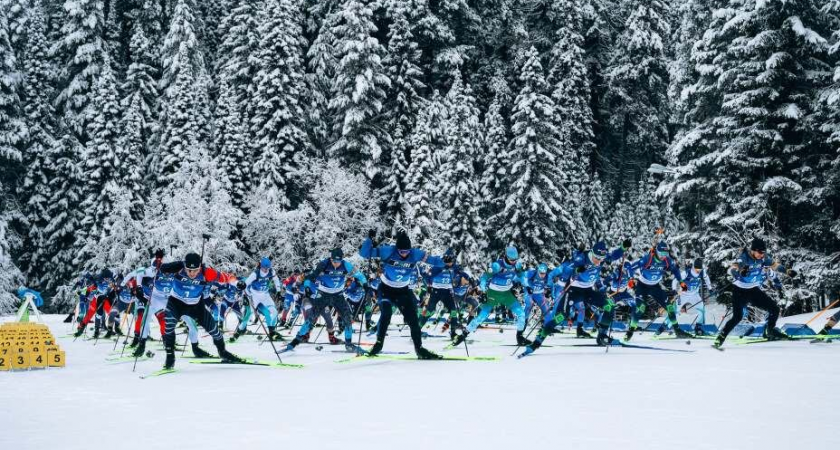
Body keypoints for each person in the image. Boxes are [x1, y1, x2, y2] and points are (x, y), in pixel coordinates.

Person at [359, 230, 445, 359]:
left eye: (406, 251)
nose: (404, 253)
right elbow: (365, 253)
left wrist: (445, 261)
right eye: (401, 251)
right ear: (397, 249)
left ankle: (419, 349)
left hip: (403, 291)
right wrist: (369, 240)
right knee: (386, 314)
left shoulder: (416, 253)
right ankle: (378, 344)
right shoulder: (387, 251)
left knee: (413, 320)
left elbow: (434, 261)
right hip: (386, 289)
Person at [156, 252, 246, 369]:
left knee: (214, 330)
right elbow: (161, 268)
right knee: (169, 326)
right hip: (176, 303)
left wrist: (237, 283)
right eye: (188, 270)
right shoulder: (178, 268)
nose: (192, 273)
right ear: (184, 266)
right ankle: (170, 358)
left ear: (199, 267)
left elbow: (227, 277)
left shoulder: (206, 272)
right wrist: (163, 267)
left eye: (195, 270)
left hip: (195, 305)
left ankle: (223, 352)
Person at [713, 238, 797, 349]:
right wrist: (740, 272)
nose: (761, 255)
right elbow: (733, 269)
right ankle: (721, 337)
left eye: (763, 253)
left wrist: (786, 271)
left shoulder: (763, 258)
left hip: (753, 290)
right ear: (753, 250)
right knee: (737, 317)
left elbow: (775, 265)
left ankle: (769, 331)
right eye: (759, 252)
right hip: (740, 291)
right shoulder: (744, 258)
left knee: (774, 309)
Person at [283, 248, 367, 352]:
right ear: (331, 259)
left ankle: (349, 344)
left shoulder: (346, 265)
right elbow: (311, 277)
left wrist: (366, 284)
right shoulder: (323, 264)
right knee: (311, 318)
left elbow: (359, 274)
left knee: (347, 318)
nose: (336, 264)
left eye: (338, 261)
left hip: (338, 294)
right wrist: (307, 286)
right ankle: (295, 341)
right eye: (334, 261)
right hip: (323, 294)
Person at [451, 246, 528, 347]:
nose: (513, 262)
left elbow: (522, 276)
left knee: (521, 314)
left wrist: (527, 285)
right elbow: (484, 278)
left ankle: (520, 337)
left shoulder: (517, 265)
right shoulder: (496, 266)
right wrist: (483, 292)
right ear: (506, 256)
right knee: (481, 317)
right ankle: (462, 336)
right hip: (493, 294)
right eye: (511, 259)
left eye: (515, 259)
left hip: (507, 294)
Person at [624, 241, 691, 341]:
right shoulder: (647, 259)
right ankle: (630, 331)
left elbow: (675, 270)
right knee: (640, 308)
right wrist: (630, 279)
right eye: (661, 254)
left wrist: (681, 282)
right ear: (656, 252)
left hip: (655, 286)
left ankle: (677, 330)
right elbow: (630, 267)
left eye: (665, 254)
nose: (663, 256)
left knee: (670, 306)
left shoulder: (667, 260)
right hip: (642, 286)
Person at [234, 257, 283, 341]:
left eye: (267, 268)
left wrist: (278, 291)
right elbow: (245, 285)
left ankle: (271, 332)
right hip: (255, 296)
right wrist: (245, 296)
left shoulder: (271, 271)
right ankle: (238, 331)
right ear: (261, 266)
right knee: (249, 314)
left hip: (265, 295)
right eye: (264, 268)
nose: (266, 270)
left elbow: (276, 280)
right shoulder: (255, 274)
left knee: (274, 312)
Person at [673, 258, 714, 335]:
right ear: (693, 267)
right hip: (683, 294)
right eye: (696, 268)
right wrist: (674, 290)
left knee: (701, 309)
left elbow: (707, 278)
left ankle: (698, 328)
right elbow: (675, 281)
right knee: (675, 311)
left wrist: (710, 288)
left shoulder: (702, 272)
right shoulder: (686, 273)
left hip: (695, 295)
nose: (698, 270)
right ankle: (664, 327)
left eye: (699, 269)